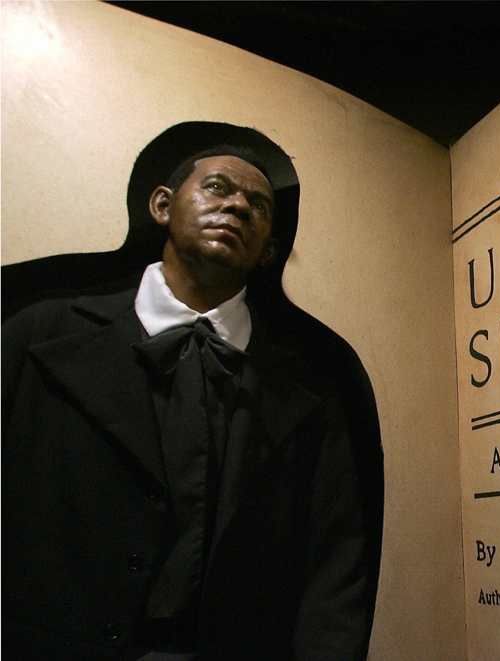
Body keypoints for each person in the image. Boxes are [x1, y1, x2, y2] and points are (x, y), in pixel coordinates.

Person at [3, 143, 372, 660]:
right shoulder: (38, 336)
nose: (239, 206)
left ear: (268, 249)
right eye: (218, 187)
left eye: (260, 206)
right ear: (161, 206)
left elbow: (334, 566)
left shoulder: (311, 392)